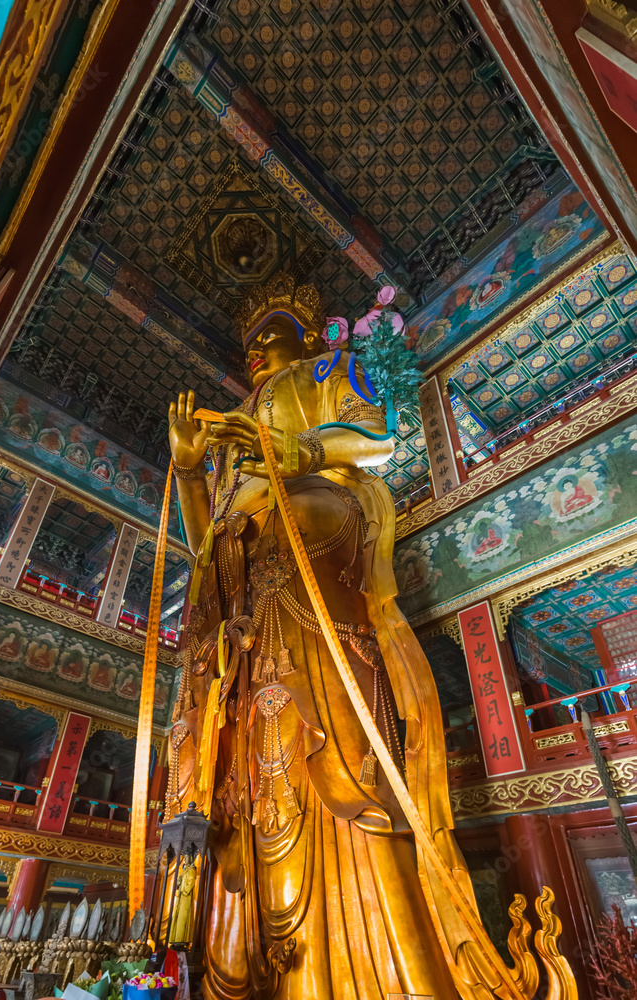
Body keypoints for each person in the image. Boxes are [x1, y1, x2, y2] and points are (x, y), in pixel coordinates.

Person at [166, 274, 488, 1000]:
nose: (256, 348)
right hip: (237, 592)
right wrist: (189, 469)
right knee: (230, 771)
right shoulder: (230, 427)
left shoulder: (326, 372)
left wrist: (293, 453)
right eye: (248, 342)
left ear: (307, 336)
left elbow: (378, 437)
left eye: (270, 332)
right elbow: (203, 536)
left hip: (307, 550)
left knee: (319, 747)